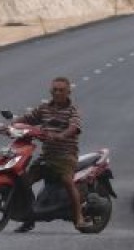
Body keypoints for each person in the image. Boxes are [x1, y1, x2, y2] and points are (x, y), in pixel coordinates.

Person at [13, 76, 91, 231]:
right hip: (47, 156)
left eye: (61, 90)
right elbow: (29, 119)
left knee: (67, 181)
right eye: (55, 90)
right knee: (24, 182)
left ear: (68, 92)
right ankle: (29, 219)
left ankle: (79, 217)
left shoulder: (72, 110)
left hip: (66, 156)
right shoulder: (44, 108)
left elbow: (74, 127)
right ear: (50, 91)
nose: (57, 93)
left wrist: (62, 135)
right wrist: (12, 125)